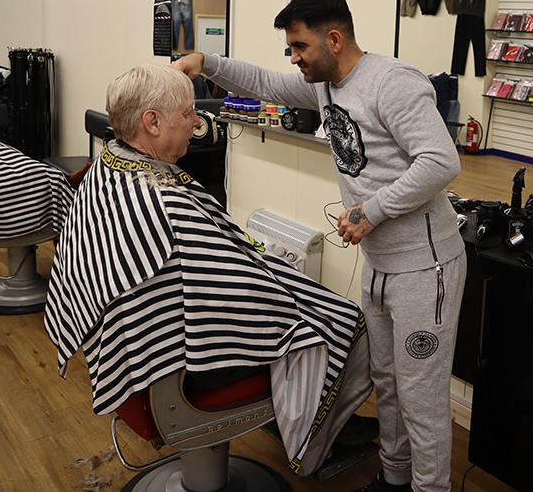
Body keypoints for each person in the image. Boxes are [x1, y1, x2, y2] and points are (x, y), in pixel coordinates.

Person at [173, 0, 467, 492]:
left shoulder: (391, 84)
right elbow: (265, 82)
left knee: (421, 398)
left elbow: (442, 161)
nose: (294, 58)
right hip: (380, 263)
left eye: (300, 47)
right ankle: (395, 479)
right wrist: (207, 61)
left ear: (334, 39)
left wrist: (372, 211)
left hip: (426, 268)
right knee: (389, 385)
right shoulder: (325, 85)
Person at [43, 63, 374, 476]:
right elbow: (241, 291)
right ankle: (317, 432)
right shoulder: (163, 204)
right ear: (152, 122)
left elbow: (218, 268)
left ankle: (321, 417)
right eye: (187, 114)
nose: (197, 123)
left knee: (302, 298)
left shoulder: (108, 167)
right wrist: (287, 294)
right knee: (339, 321)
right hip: (177, 365)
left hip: (132, 340)